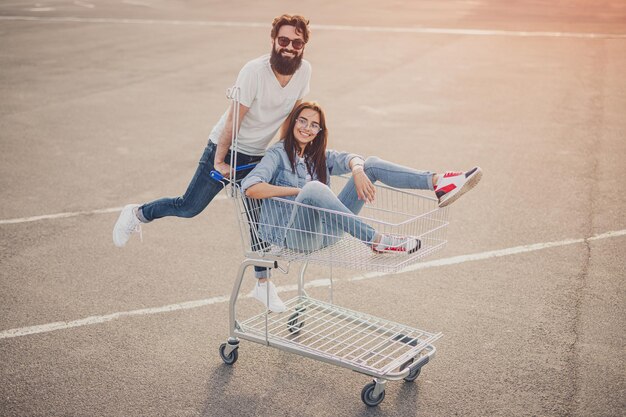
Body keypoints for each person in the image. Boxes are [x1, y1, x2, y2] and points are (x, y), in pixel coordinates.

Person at [112, 14, 312, 313]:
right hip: (227, 149)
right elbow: (234, 118)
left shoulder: (304, 71)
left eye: (297, 42)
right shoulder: (254, 71)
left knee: (259, 223)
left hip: (258, 155)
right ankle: (138, 213)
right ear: (273, 40)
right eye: (283, 40)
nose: (289, 47)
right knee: (189, 207)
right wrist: (219, 160)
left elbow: (291, 116)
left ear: (303, 45)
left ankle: (263, 286)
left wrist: (289, 153)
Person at [241, 102, 482, 305]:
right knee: (314, 188)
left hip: (328, 232)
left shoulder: (317, 155)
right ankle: (377, 241)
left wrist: (357, 169)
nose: (307, 128)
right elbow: (251, 187)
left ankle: (439, 182)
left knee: (370, 164)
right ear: (293, 122)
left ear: (319, 131)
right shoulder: (278, 154)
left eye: (314, 124)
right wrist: (299, 190)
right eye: (302, 121)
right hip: (296, 236)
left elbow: (352, 158)